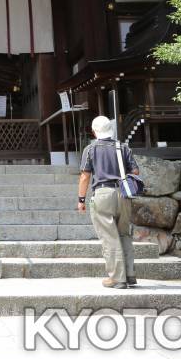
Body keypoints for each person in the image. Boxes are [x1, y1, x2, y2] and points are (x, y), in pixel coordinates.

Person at [77, 115, 139, 289]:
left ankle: (117, 279)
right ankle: (130, 275)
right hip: (124, 193)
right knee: (124, 234)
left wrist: (81, 199)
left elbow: (85, 176)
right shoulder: (123, 147)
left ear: (94, 131)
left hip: (103, 193)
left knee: (109, 237)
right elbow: (135, 171)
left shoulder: (90, 149)